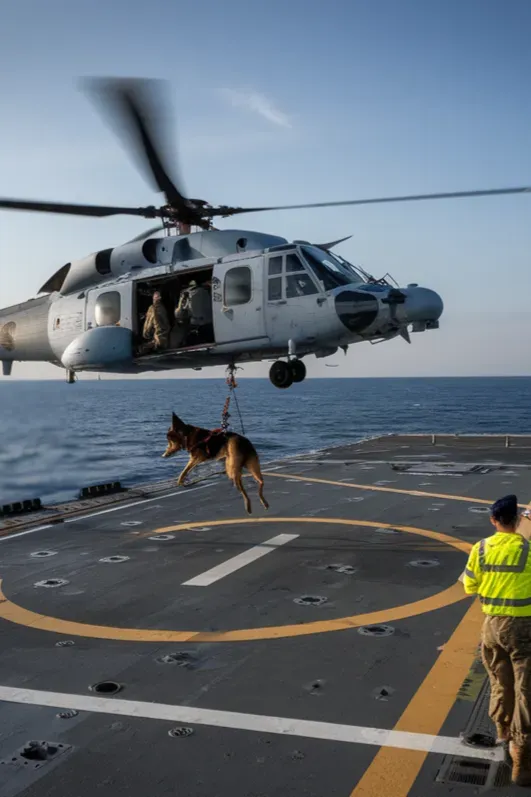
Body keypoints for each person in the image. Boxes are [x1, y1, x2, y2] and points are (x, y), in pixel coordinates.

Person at [462, 495, 531, 786]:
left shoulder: (479, 549)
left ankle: (503, 736)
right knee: (525, 687)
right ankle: (521, 753)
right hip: (523, 628)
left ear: (493, 520)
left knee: (499, 683)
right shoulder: (528, 549)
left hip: (491, 627)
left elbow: (469, 586)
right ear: (517, 521)